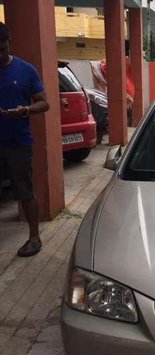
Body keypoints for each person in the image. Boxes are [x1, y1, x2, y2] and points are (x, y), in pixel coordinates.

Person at [0, 22, 50, 257]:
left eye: (2, 48)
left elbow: (44, 102)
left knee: (24, 191)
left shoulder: (26, 70)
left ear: (9, 44)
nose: (0, 54)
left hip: (18, 142)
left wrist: (24, 110)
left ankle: (34, 237)